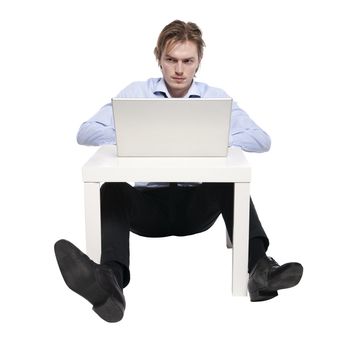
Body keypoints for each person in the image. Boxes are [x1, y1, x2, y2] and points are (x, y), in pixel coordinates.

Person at [54, 20, 303, 323]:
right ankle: (110, 283)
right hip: (148, 207)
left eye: (188, 61)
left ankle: (261, 271)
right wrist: (135, 137)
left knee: (229, 184)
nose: (179, 69)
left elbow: (261, 139)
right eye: (171, 60)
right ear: (158, 56)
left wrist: (212, 139)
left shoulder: (215, 97)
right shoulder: (137, 92)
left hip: (195, 209)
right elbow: (85, 132)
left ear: (199, 62)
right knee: (112, 187)